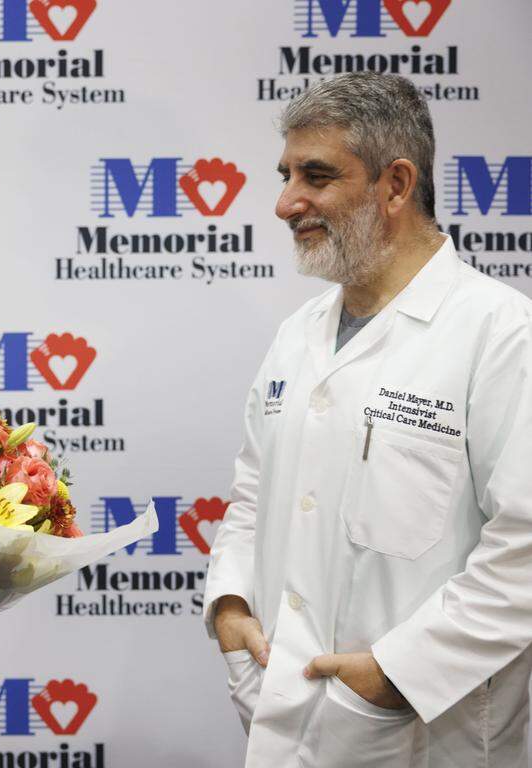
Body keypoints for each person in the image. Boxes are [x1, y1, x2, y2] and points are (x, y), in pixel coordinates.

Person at [204, 71, 532, 767]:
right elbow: (253, 492)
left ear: (395, 184)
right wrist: (230, 607)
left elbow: (526, 550)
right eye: (286, 173)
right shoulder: (299, 334)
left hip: (420, 731)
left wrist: (399, 674)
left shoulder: (502, 333)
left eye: (315, 176)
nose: (285, 202)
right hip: (284, 713)